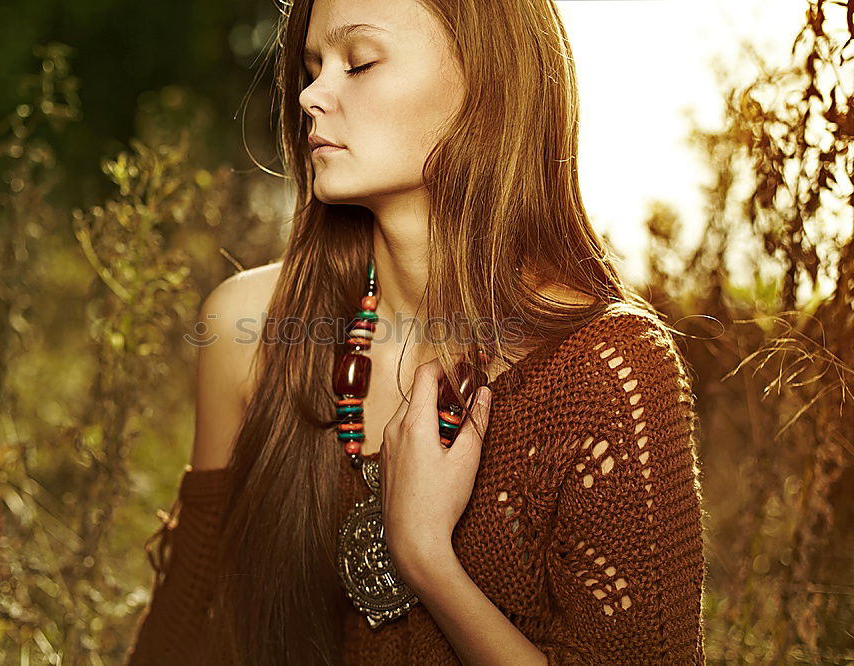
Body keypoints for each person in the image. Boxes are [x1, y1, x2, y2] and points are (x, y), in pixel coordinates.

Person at [126, 0, 707, 663]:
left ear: (485, 84)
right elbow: (182, 630)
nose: (312, 94)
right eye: (312, 67)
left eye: (360, 62)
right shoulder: (247, 330)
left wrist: (426, 555)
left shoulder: (610, 372)